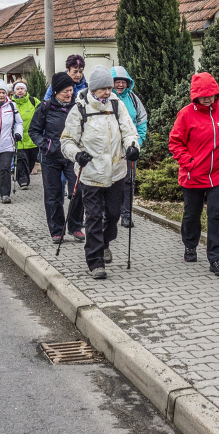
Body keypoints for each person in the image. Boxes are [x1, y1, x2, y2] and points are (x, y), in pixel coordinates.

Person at [61, 66, 140, 280]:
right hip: (90, 173)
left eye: (109, 87)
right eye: (103, 88)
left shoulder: (117, 104)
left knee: (113, 214)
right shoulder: (80, 109)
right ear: (93, 89)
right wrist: (77, 155)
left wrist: (132, 146)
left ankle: (105, 242)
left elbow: (129, 130)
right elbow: (67, 140)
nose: (108, 91)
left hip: (116, 171)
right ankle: (95, 262)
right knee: (94, 217)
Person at [168, 72, 219, 277]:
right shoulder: (185, 114)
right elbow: (175, 143)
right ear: (195, 96)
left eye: (211, 94)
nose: (208, 98)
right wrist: (189, 163)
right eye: (203, 95)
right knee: (192, 214)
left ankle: (217, 258)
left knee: (216, 214)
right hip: (193, 175)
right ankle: (190, 244)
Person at [29, 72, 85, 245]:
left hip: (73, 157)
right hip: (50, 157)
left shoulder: (79, 106)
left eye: (71, 90)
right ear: (55, 92)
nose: (69, 94)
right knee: (53, 195)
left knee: (79, 190)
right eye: (65, 91)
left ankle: (75, 226)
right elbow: (34, 131)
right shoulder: (45, 107)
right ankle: (57, 230)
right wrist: (45, 145)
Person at [110, 66, 148, 228]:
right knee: (110, 182)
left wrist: (137, 144)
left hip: (129, 150)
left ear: (128, 83)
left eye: (123, 82)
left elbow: (142, 121)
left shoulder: (133, 98)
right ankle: (110, 213)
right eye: (116, 81)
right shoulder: (106, 98)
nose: (120, 85)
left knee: (129, 182)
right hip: (110, 151)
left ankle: (126, 215)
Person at [12, 81, 40, 190]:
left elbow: (42, 112)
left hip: (31, 138)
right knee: (21, 160)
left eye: (22, 89)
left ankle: (24, 175)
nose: (20, 91)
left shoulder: (33, 101)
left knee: (31, 160)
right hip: (18, 138)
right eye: (17, 89)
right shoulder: (10, 103)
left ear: (25, 90)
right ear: (14, 91)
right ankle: (23, 180)